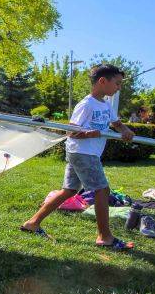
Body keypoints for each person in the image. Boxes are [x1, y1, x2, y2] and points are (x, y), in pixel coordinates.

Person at [20, 64, 135, 251]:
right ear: (102, 81)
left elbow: (116, 123)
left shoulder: (106, 104)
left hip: (86, 153)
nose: (119, 87)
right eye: (117, 83)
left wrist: (124, 129)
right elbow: (71, 131)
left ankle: (32, 223)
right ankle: (105, 237)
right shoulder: (86, 104)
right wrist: (89, 134)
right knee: (102, 190)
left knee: (69, 191)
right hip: (82, 152)